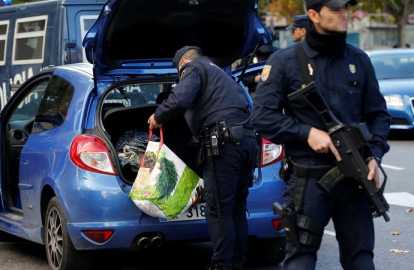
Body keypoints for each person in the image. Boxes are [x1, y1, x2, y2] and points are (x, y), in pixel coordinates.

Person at [251, 0, 391, 269]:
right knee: (301, 260)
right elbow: (262, 117)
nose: (343, 14)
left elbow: (378, 115)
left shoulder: (358, 60)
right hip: (308, 182)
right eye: (335, 9)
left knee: (361, 259)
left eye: (345, 8)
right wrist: (306, 133)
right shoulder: (284, 61)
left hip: (355, 179)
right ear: (313, 15)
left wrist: (374, 155)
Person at [148, 46, 258, 270]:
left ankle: (222, 264)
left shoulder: (194, 68)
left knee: (219, 208)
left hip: (225, 145)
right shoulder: (222, 75)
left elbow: (181, 98)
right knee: (236, 206)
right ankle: (237, 259)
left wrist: (157, 117)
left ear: (182, 63)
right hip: (248, 142)